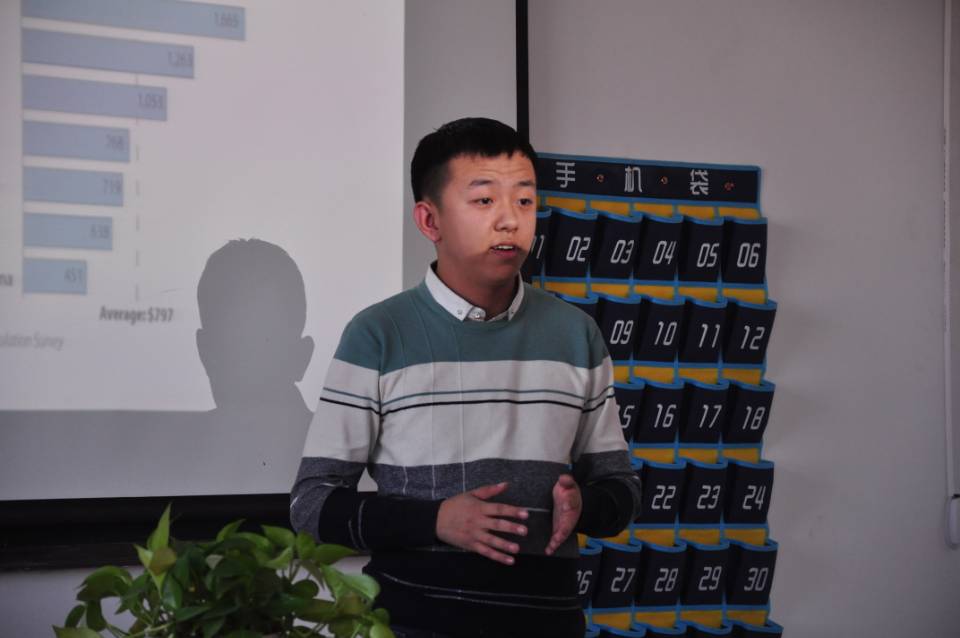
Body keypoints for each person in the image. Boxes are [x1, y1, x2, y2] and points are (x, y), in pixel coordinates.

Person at [290, 118, 640, 638]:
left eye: (525, 201)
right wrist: (435, 521)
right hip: (410, 624)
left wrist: (587, 505)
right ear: (429, 220)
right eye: (484, 201)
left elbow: (621, 487)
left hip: (546, 623)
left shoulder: (576, 335)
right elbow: (311, 503)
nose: (509, 221)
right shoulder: (378, 334)